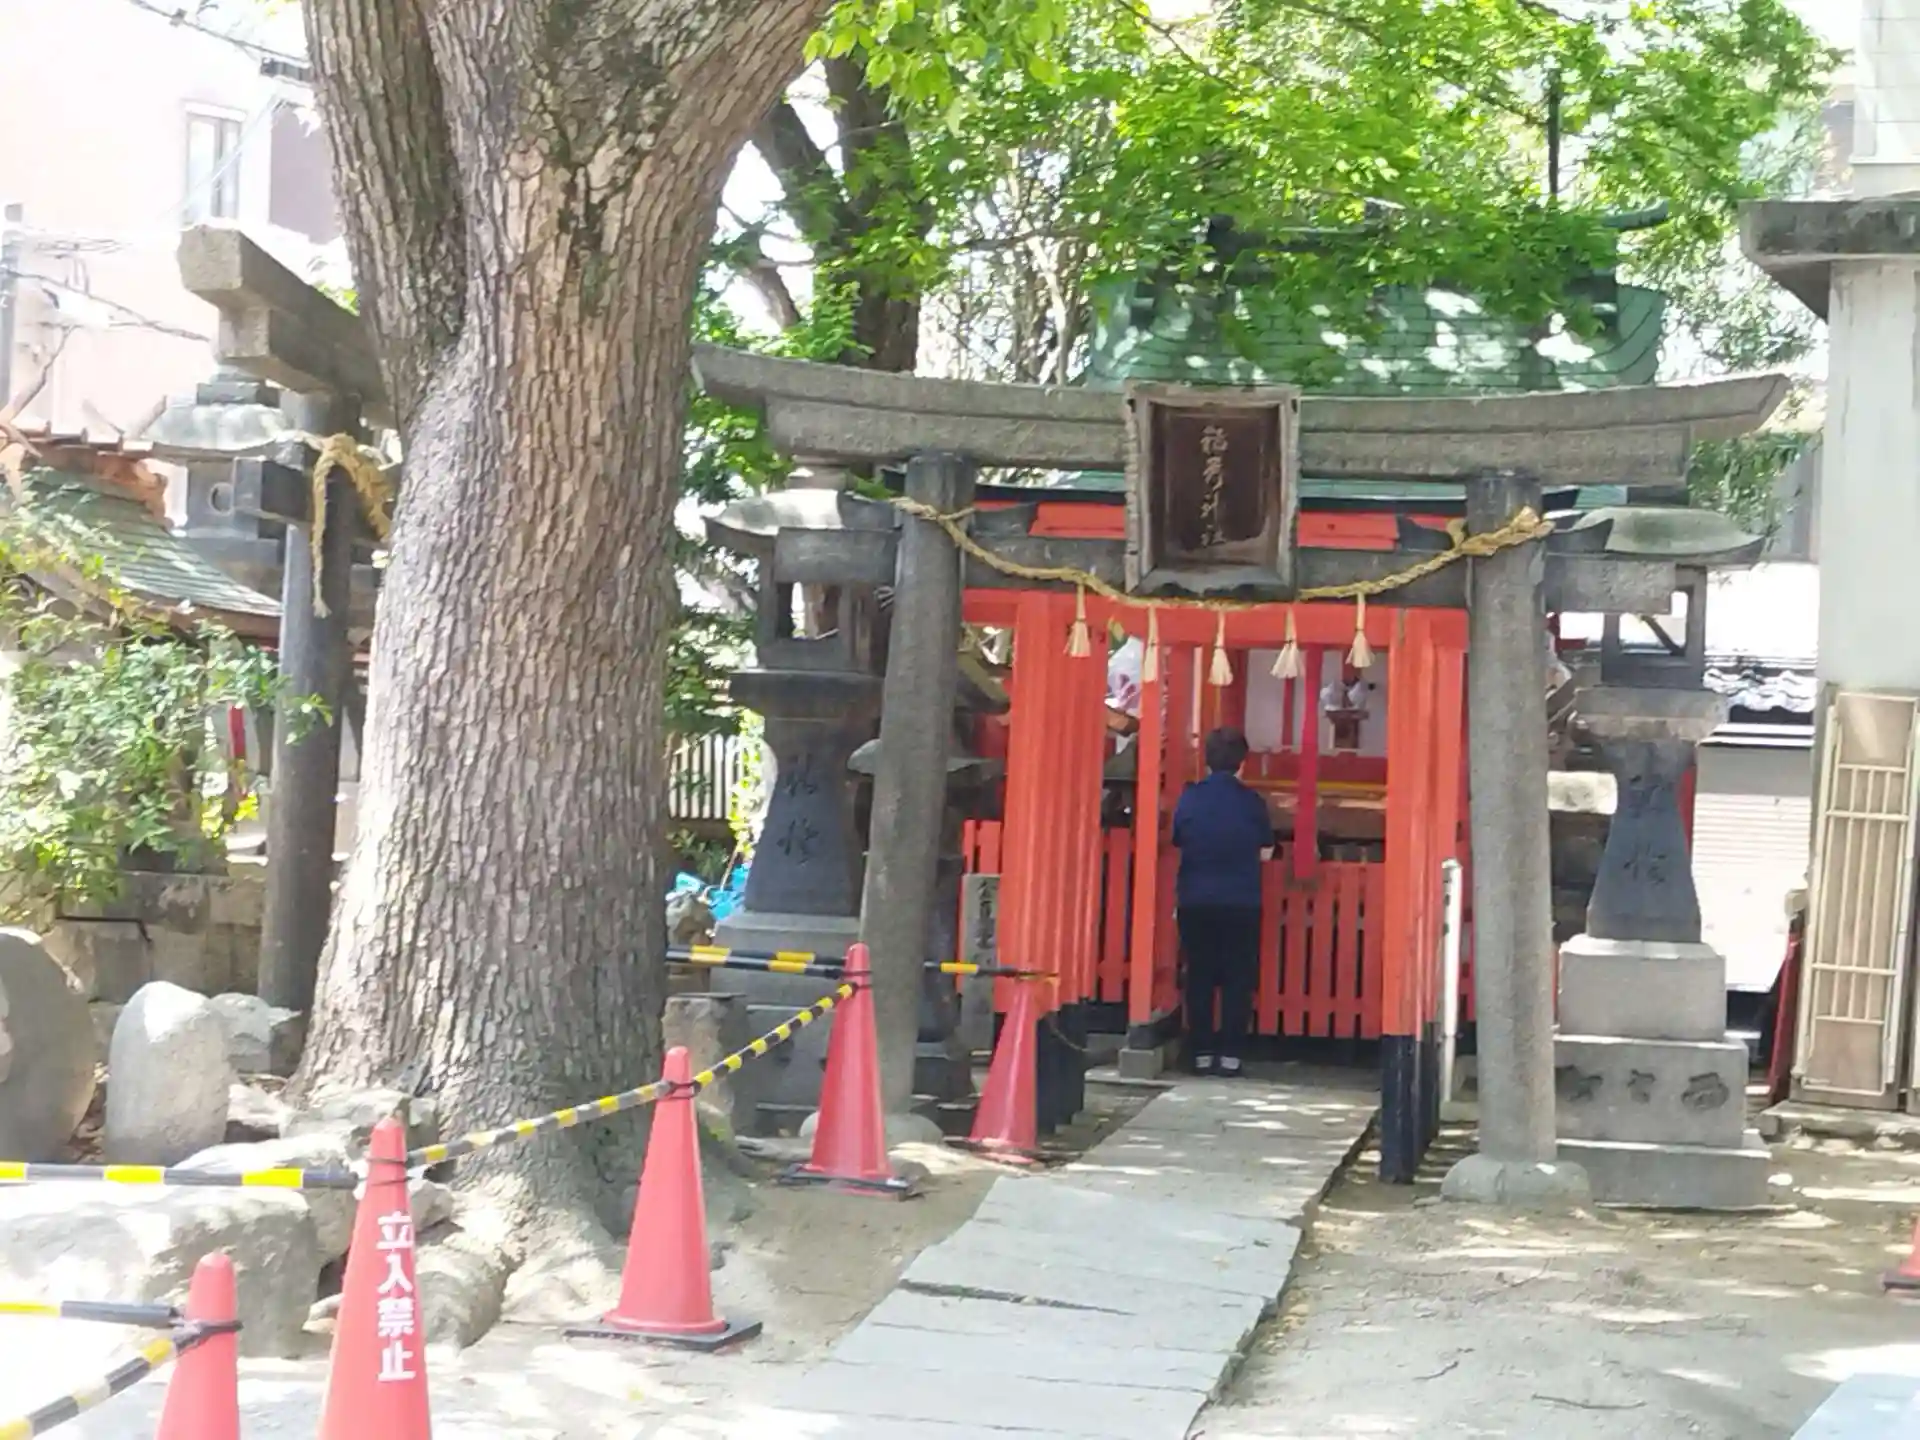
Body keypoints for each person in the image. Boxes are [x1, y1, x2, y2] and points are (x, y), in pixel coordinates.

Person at [1172, 726, 1272, 1075]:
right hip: (1241, 899)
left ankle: (1200, 1053)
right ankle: (1230, 1056)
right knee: (1238, 979)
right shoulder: (1252, 803)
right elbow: (1266, 849)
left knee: (1199, 976)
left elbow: (1178, 837)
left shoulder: (1190, 798)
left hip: (1195, 898)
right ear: (1243, 762)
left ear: (1207, 760)